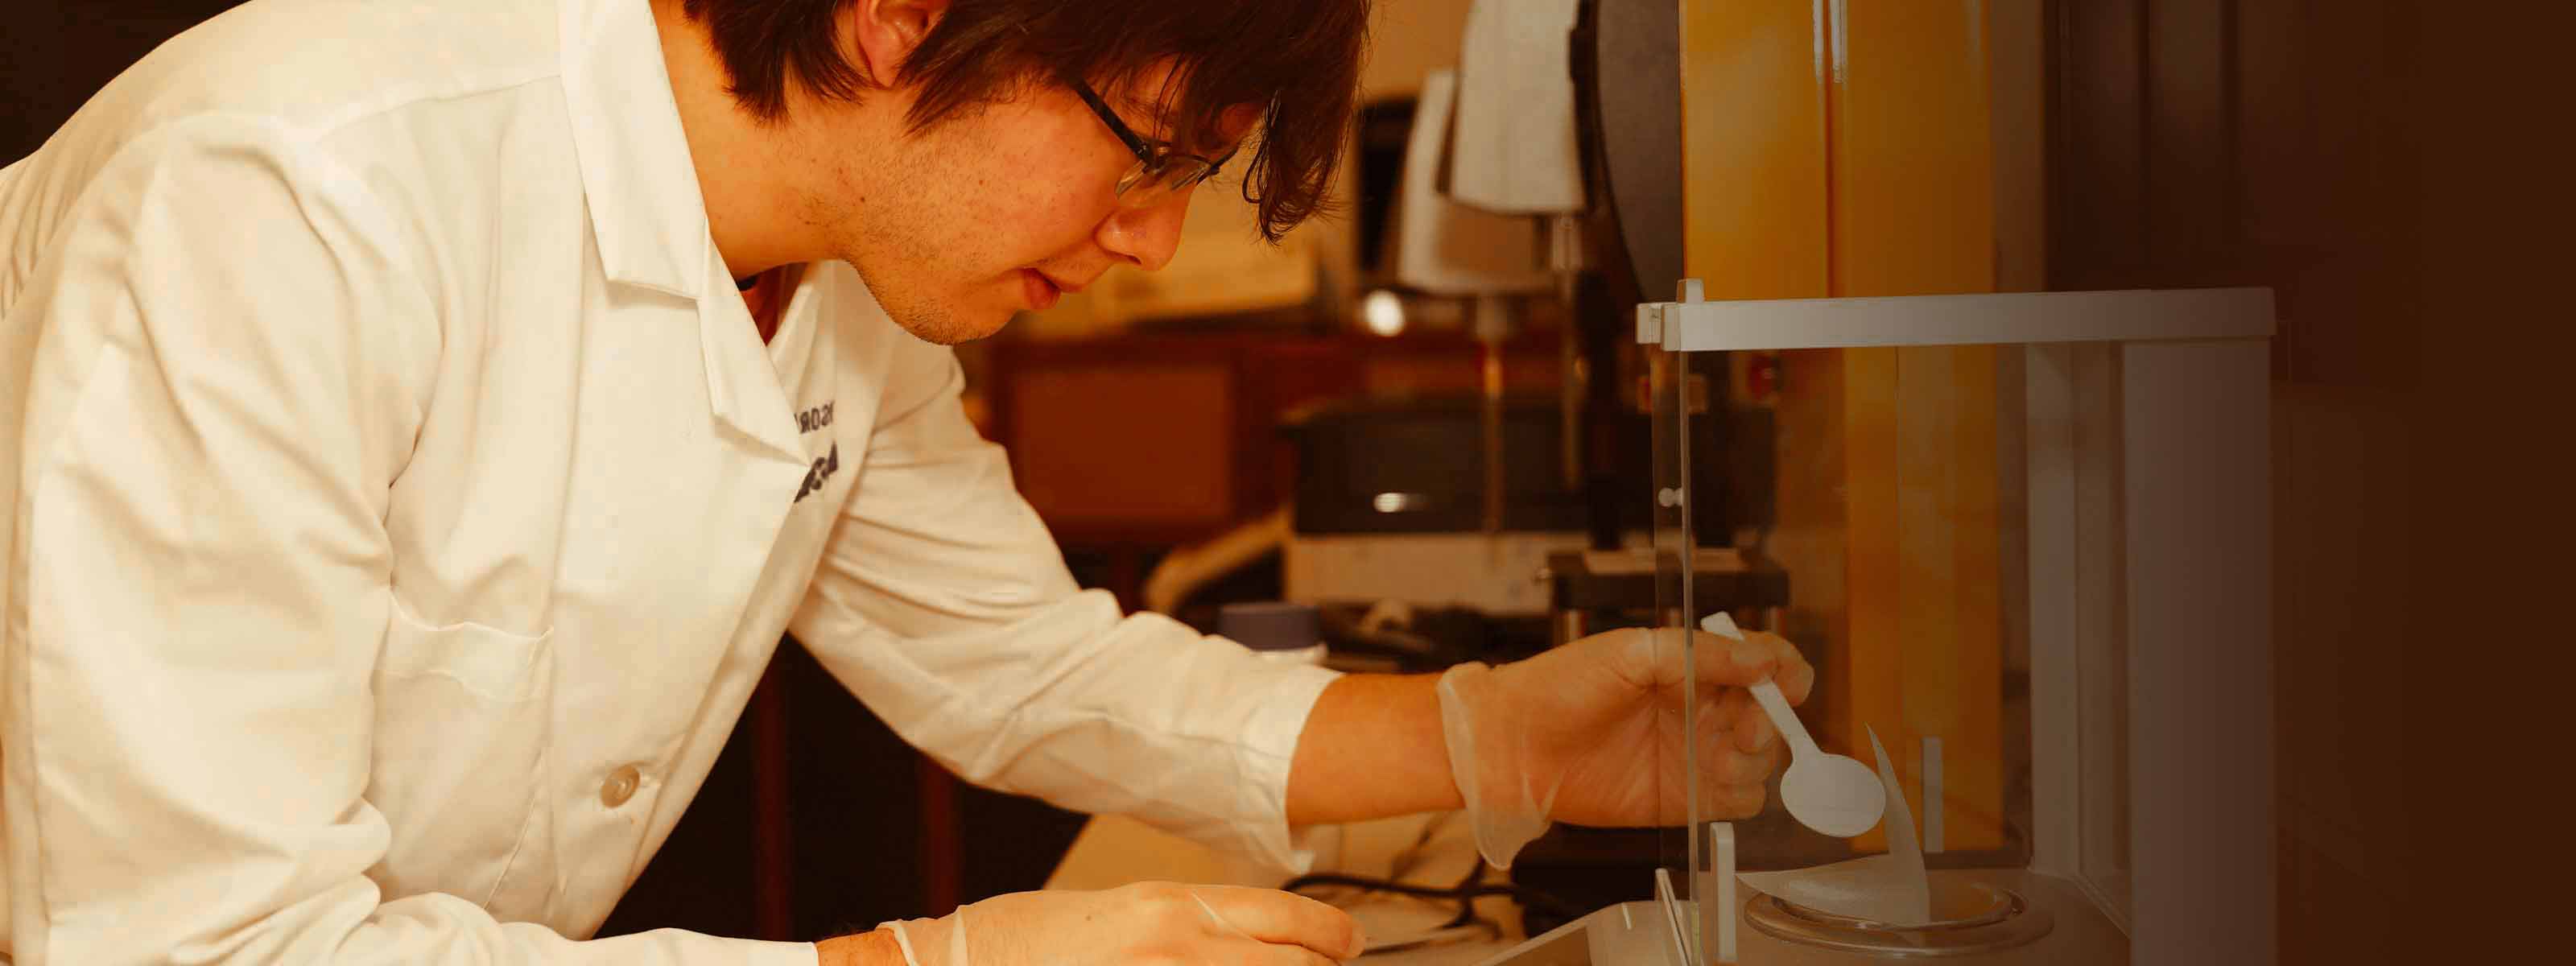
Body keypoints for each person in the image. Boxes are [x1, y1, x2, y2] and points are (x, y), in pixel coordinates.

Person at [0, 1, 1814, 964]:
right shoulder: (288, 195)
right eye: (1144, 158)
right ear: (898, 17)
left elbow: (1027, 669)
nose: (1155, 245)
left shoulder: (833, 281)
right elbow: (193, 957)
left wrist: (1501, 742)